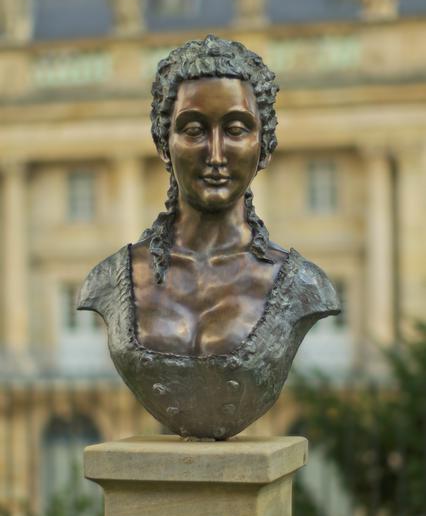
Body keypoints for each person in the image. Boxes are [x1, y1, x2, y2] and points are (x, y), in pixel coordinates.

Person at [77, 35, 340, 440]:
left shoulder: (305, 285)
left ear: (265, 147)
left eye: (235, 129)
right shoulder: (111, 279)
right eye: (194, 130)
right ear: (164, 144)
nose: (215, 154)